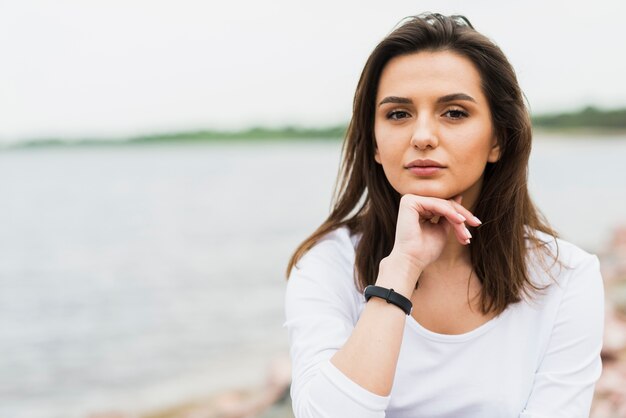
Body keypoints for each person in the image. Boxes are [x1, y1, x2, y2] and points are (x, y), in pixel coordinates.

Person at [283, 12, 604, 418]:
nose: (422, 137)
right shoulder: (327, 264)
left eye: (453, 113)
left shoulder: (565, 277)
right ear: (376, 145)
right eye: (398, 114)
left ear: (498, 140)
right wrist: (399, 271)